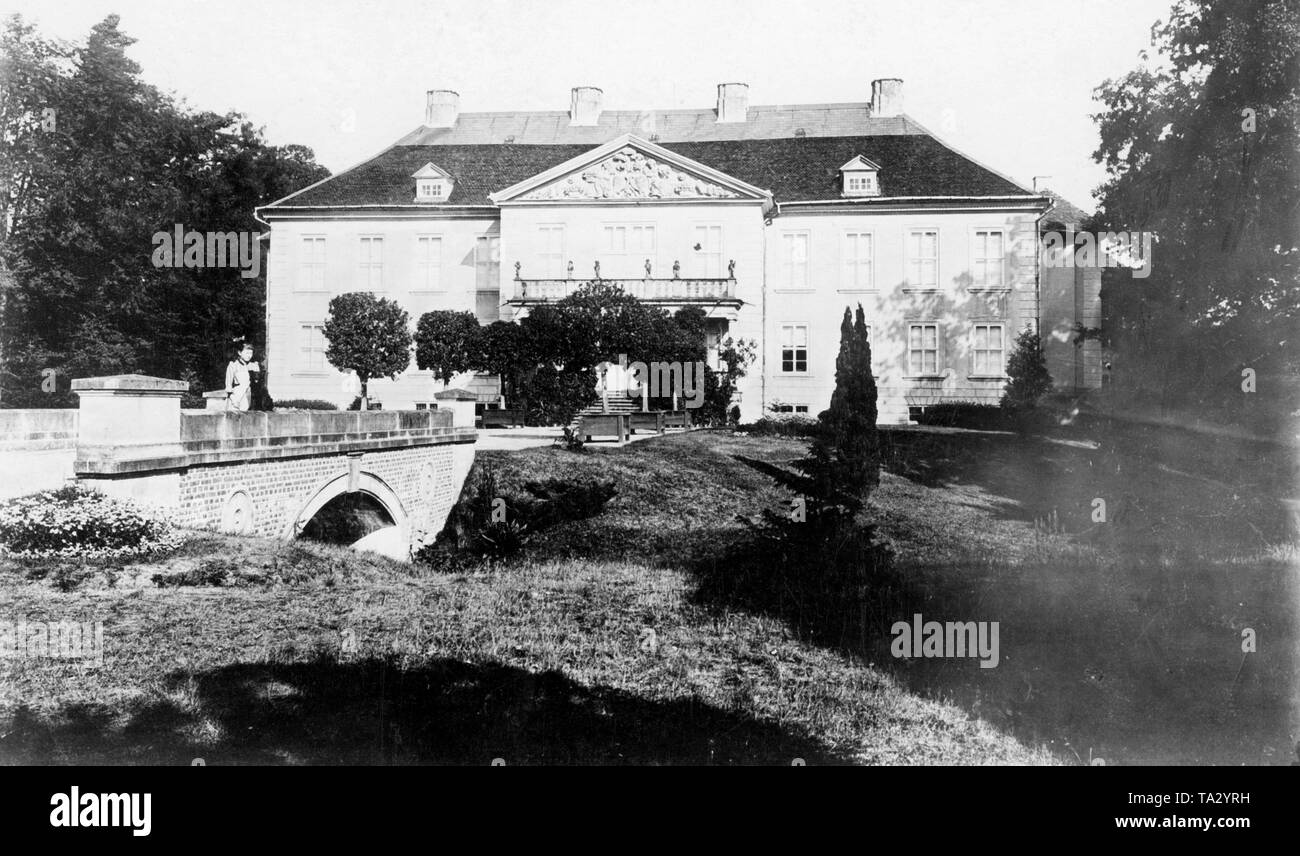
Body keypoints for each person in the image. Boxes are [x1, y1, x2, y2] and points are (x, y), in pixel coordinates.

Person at [224, 340, 260, 412]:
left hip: (248, 397)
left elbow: (257, 384)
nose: (249, 355)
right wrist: (233, 399)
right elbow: (228, 385)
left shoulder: (253, 366)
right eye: (247, 353)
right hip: (236, 397)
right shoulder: (233, 365)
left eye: (251, 353)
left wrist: (257, 373)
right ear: (240, 353)